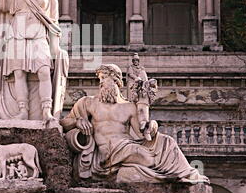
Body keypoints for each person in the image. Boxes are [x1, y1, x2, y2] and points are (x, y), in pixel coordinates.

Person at [60, 64, 209, 184]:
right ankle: (174, 175)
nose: (100, 83)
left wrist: (152, 126)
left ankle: (187, 174)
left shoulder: (129, 107)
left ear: (116, 81)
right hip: (107, 152)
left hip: (126, 145)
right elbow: (63, 123)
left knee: (167, 141)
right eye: (100, 78)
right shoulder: (88, 102)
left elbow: (143, 134)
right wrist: (78, 121)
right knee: (146, 158)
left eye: (104, 78)